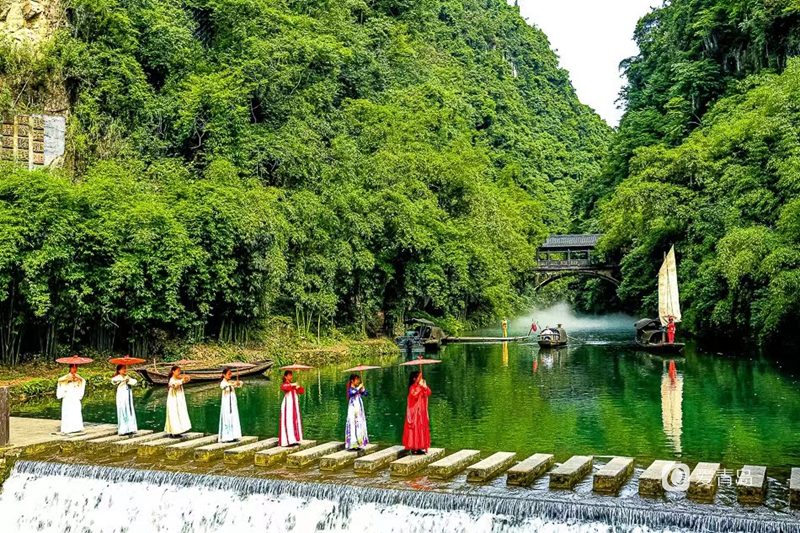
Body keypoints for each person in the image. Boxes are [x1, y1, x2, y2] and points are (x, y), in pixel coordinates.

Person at [403, 370, 432, 455]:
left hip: (421, 412)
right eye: (419, 377)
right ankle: (414, 447)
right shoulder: (412, 387)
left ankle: (420, 446)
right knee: (415, 428)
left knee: (421, 428)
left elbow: (428, 393)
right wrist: (420, 387)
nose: (421, 379)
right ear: (414, 378)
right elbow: (414, 396)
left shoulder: (421, 386)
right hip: (415, 413)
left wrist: (425, 386)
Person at [56, 364, 85, 434]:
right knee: (68, 411)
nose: (74, 369)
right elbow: (59, 381)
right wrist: (67, 380)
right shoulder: (65, 377)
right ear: (70, 368)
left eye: (76, 367)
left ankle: (77, 427)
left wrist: (79, 379)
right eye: (73, 367)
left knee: (76, 410)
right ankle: (68, 428)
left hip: (75, 395)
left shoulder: (78, 377)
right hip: (68, 395)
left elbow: (83, 381)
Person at [279, 370, 305, 446]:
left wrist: (298, 387)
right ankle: (287, 441)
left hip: (294, 405)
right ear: (286, 376)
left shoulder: (292, 384)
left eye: (291, 375)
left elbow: (301, 391)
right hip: (288, 405)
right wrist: (293, 385)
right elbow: (284, 388)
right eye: (289, 375)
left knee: (295, 421)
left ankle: (294, 439)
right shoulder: (285, 384)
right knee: (288, 420)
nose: (291, 376)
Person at [345, 373, 370, 451]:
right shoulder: (351, 390)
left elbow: (366, 394)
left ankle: (358, 443)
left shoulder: (357, 390)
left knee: (359, 425)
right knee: (352, 425)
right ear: (352, 381)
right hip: (353, 411)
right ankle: (352, 444)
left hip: (358, 412)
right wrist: (359, 387)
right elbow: (351, 393)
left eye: (358, 380)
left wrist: (364, 390)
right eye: (356, 380)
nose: (358, 381)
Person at [165, 365, 192, 436]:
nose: (179, 372)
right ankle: (173, 432)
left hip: (179, 400)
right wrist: (182, 380)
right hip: (173, 400)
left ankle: (178, 431)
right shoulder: (172, 380)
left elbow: (184, 380)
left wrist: (186, 378)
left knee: (179, 414)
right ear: (173, 371)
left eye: (179, 371)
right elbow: (174, 385)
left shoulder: (178, 378)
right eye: (178, 371)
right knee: (173, 414)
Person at [111, 365, 138, 435]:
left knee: (129, 409)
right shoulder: (117, 377)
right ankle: (123, 429)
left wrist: (128, 380)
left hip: (128, 395)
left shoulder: (127, 377)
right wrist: (123, 380)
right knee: (122, 409)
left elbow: (134, 382)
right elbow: (113, 381)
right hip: (121, 395)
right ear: (119, 370)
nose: (124, 370)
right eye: (123, 369)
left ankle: (131, 428)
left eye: (125, 369)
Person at [218, 369, 243, 443]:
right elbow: (224, 386)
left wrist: (238, 382)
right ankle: (227, 436)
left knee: (234, 417)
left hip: (233, 403)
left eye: (230, 374)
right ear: (224, 375)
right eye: (229, 374)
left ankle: (234, 435)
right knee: (227, 418)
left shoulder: (230, 382)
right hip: (226, 404)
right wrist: (232, 383)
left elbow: (239, 384)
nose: (230, 375)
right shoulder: (223, 383)